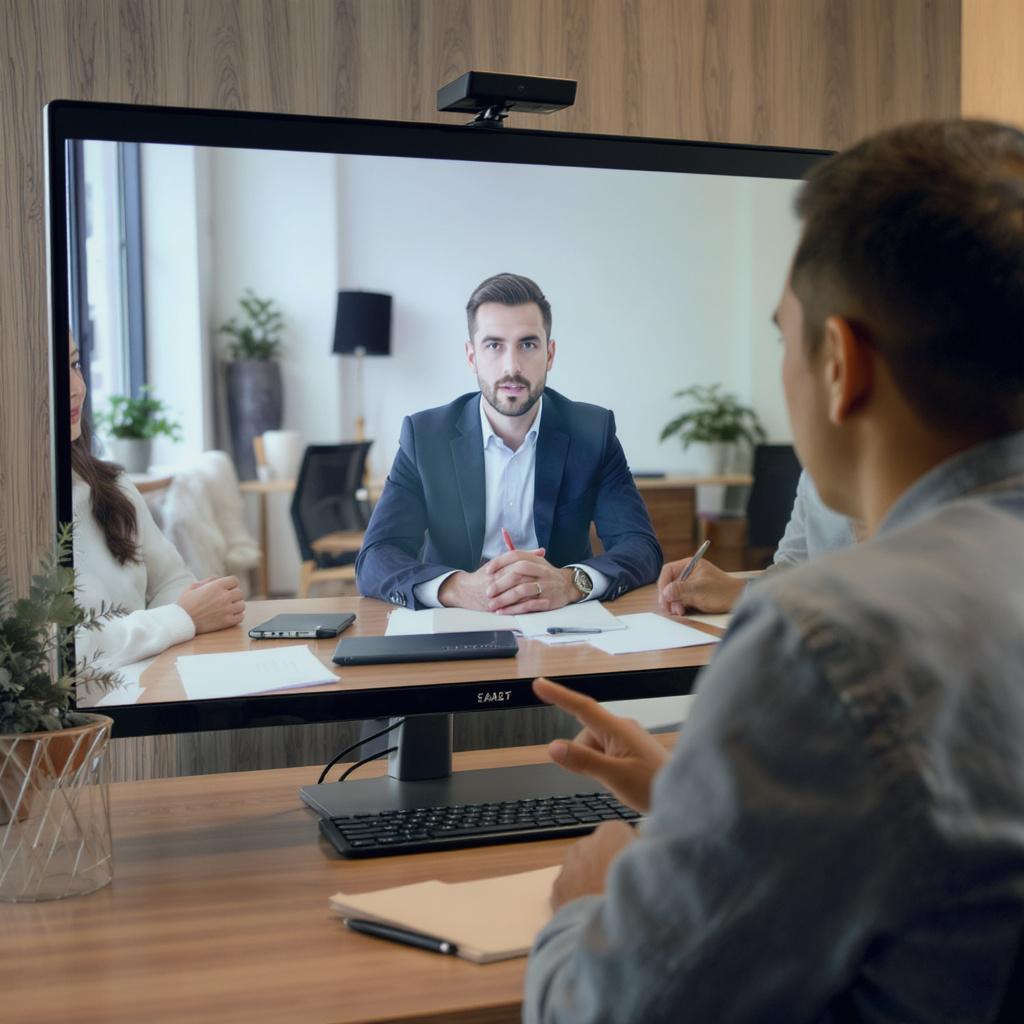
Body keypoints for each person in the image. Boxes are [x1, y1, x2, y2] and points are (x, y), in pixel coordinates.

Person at [523, 119, 1024, 1022]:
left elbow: (601, 1011)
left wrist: (590, 902)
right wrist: (715, 813)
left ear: (841, 364)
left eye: (784, 339)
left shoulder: (826, 639)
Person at [355, 273, 662, 612]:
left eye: (527, 345)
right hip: (458, 619)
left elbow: (640, 547)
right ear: (472, 356)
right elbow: (376, 557)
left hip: (563, 619)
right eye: (494, 345)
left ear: (550, 354)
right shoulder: (425, 437)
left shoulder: (593, 432)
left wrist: (571, 583)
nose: (511, 366)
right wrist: (457, 588)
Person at [69, 337, 245, 673]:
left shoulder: (113, 486)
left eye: (75, 365)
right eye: (57, 372)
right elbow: (70, 651)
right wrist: (180, 617)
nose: (76, 388)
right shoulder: (23, 520)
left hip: (153, 684)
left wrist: (191, 610)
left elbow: (172, 581)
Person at [658, 469, 857, 614]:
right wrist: (732, 588)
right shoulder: (810, 475)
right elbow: (791, 565)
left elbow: (865, 592)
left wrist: (742, 593)